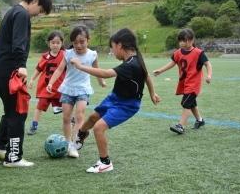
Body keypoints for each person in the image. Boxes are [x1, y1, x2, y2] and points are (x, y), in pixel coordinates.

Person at [70, 28, 161, 173]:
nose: (112, 51)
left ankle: (105, 163)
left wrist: (81, 66)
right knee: (92, 117)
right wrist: (152, 93)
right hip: (115, 97)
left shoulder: (130, 64)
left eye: (112, 47)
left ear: (119, 45)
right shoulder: (135, 59)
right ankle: (81, 134)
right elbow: (146, 75)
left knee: (99, 127)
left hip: (127, 105)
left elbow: (106, 74)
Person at [0, 0, 52, 168]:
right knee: (19, 111)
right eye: (39, 11)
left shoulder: (12, 12)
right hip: (9, 70)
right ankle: (14, 157)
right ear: (35, 1)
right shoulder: (22, 14)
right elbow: (19, 43)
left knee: (11, 110)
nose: (37, 15)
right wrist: (21, 66)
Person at [47, 25, 106, 158]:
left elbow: (97, 70)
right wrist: (51, 83)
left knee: (79, 116)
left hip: (83, 89)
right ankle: (67, 143)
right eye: (75, 42)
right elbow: (59, 69)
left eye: (82, 42)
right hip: (68, 89)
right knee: (66, 117)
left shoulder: (92, 54)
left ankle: (74, 145)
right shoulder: (68, 54)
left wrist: (101, 81)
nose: (78, 45)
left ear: (88, 40)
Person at [153, 28, 212, 134]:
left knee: (186, 103)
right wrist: (160, 70)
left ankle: (181, 126)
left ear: (192, 40)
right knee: (191, 103)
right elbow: (172, 63)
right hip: (184, 82)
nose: (182, 43)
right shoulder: (178, 53)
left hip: (194, 84)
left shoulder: (198, 53)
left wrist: (209, 75)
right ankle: (200, 120)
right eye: (180, 41)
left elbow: (207, 64)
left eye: (185, 40)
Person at [27, 31, 65, 135]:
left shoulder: (65, 55)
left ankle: (71, 122)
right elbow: (38, 68)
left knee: (66, 107)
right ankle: (34, 125)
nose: (55, 45)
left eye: (58, 42)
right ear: (49, 43)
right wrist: (32, 79)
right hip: (45, 88)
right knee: (40, 106)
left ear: (62, 43)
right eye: (53, 42)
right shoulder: (45, 56)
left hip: (59, 88)